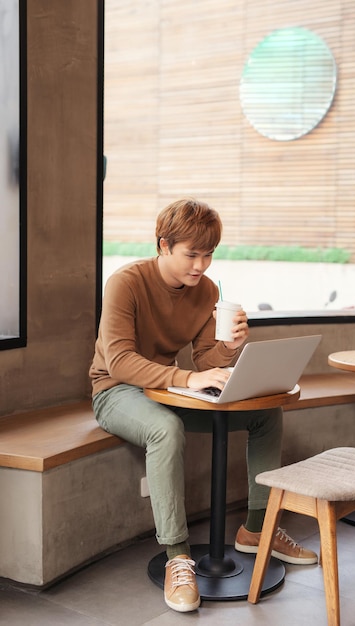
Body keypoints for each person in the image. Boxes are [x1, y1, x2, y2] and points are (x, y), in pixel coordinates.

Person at [89, 198, 317, 613]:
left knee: (264, 413)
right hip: (115, 391)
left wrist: (229, 349)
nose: (201, 265)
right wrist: (187, 379)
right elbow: (118, 361)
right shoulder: (126, 282)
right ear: (164, 245)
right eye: (191, 254)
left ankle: (256, 528)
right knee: (166, 429)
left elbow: (205, 360)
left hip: (169, 388)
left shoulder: (208, 291)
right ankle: (178, 556)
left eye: (208, 254)